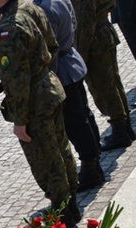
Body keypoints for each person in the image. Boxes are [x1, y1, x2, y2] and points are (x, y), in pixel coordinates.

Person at [0, 0, 81, 225]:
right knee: (61, 147)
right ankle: (71, 201)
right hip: (49, 89)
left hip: (34, 104)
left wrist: (20, 121)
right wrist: (43, 77)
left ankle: (63, 211)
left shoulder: (9, 28)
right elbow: (53, 45)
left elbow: (16, 82)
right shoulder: (29, 7)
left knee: (46, 159)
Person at [34, 0, 105, 190]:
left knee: (76, 123)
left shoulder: (43, 9)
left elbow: (51, 48)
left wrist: (50, 80)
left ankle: (91, 169)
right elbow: (73, 22)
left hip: (63, 70)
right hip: (72, 60)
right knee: (85, 116)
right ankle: (94, 161)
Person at [72, 0, 134, 150]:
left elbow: (85, 20)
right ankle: (125, 128)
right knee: (113, 84)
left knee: (104, 89)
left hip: (95, 40)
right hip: (101, 34)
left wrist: (81, 53)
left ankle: (120, 132)